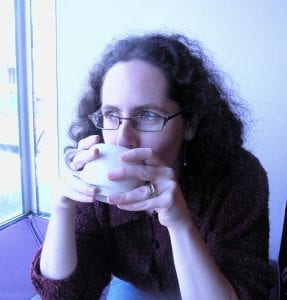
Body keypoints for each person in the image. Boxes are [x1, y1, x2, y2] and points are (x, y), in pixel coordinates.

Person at [31, 32, 275, 299]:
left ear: (191, 123)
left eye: (147, 115)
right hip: (134, 285)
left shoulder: (238, 177)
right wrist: (63, 208)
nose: (123, 138)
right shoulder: (95, 174)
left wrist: (180, 223)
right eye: (111, 114)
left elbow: (246, 291)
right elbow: (64, 293)